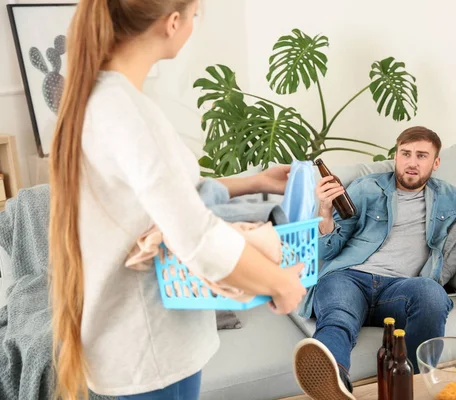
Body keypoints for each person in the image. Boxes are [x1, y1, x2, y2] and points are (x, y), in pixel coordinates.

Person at [48, 1, 306, 399]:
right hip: (148, 350)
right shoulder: (125, 111)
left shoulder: (104, 98)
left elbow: (165, 193)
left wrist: (254, 181)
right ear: (172, 24)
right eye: (194, 16)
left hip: (149, 343)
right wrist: (280, 282)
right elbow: (197, 237)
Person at [292, 126, 456, 400]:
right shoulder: (366, 188)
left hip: (401, 290)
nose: (411, 162)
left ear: (436, 162)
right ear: (396, 156)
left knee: (432, 294)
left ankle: (415, 387)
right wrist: (324, 212)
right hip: (350, 278)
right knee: (338, 316)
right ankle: (334, 382)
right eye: (405, 154)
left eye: (421, 156)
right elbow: (330, 246)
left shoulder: (449, 196)